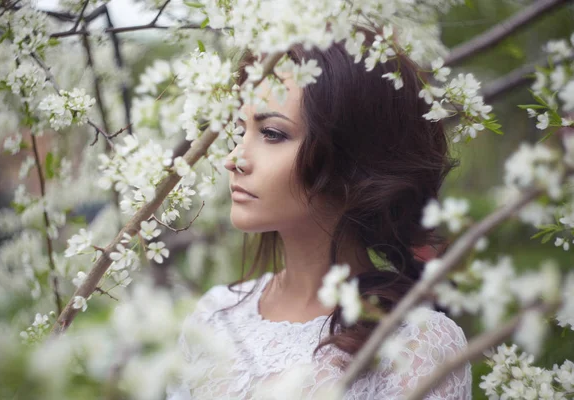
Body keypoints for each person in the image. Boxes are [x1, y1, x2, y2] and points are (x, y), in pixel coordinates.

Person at [167, 25, 472, 400]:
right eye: (239, 131)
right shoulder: (214, 316)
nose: (234, 159)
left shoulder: (417, 343)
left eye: (272, 134)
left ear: (350, 157)